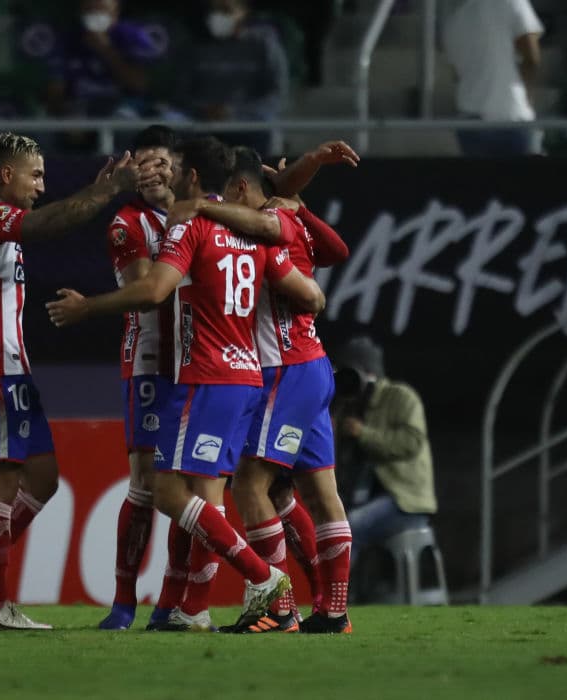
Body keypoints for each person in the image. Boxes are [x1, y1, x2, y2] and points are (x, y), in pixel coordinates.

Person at [47, 136, 326, 633]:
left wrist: (87, 307)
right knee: (205, 496)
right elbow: (308, 288)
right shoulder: (250, 225)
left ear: (192, 177)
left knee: (170, 493)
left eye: (174, 168)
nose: (166, 175)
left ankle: (265, 581)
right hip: (249, 375)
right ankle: (192, 607)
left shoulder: (190, 224)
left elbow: (155, 289)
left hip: (205, 375)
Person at [0, 132, 148, 629]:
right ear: (5, 174)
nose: (40, 186)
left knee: (42, 478)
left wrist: (97, 190)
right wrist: (109, 190)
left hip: (8, 369)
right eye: (34, 176)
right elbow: (49, 223)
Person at [168, 144, 355, 633]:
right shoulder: (287, 218)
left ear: (242, 189)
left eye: (227, 194)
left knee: (250, 483)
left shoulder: (270, 223)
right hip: (310, 366)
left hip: (285, 367)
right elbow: (336, 252)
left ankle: (280, 607)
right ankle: (333, 611)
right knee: (313, 491)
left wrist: (203, 206)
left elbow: (308, 285)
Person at [97, 124, 178, 630]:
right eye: (143, 164)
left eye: (161, 163)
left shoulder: (204, 210)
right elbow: (149, 292)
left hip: (200, 361)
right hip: (150, 361)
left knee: (195, 485)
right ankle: (124, 603)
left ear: (179, 168)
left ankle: (172, 604)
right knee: (145, 484)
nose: (152, 172)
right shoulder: (127, 224)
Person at [332, 337, 437, 571]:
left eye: (353, 373)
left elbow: (412, 442)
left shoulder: (401, 397)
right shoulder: (348, 404)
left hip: (404, 500)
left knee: (348, 528)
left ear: (370, 373)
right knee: (331, 525)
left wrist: (363, 433)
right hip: (363, 497)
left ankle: (335, 591)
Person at [174, 0, 289, 151]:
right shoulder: (193, 47)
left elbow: (276, 95)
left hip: (251, 126)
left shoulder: (264, 45)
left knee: (269, 131)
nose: (217, 16)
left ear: (243, 12)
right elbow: (180, 94)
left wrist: (234, 112)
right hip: (202, 125)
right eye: (213, 10)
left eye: (225, 10)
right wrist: (204, 110)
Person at [442, 0, 544, 157]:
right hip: (510, 116)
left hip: (469, 121)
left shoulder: (454, 20)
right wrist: (528, 98)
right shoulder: (511, 2)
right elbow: (532, 57)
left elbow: (457, 74)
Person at [45, 0, 154, 120]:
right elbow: (55, 92)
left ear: (115, 13)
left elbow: (139, 85)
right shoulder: (67, 39)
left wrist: (105, 50)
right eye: (90, 9)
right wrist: (65, 111)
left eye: (101, 9)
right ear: (80, 12)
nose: (95, 15)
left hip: (124, 106)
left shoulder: (132, 35)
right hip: (80, 108)